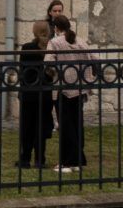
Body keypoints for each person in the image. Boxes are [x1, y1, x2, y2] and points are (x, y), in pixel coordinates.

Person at [48, 20, 91, 174]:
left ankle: (67, 162)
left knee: (66, 126)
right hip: (79, 88)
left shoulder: (55, 42)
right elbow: (93, 59)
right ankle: (78, 160)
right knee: (77, 124)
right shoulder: (80, 41)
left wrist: (54, 73)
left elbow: (49, 62)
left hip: (63, 89)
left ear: (56, 28)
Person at [14, 21, 53, 168]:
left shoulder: (28, 48)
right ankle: (40, 159)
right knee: (41, 127)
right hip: (45, 93)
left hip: (30, 93)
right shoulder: (50, 48)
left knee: (27, 127)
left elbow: (23, 70)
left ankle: (25, 159)